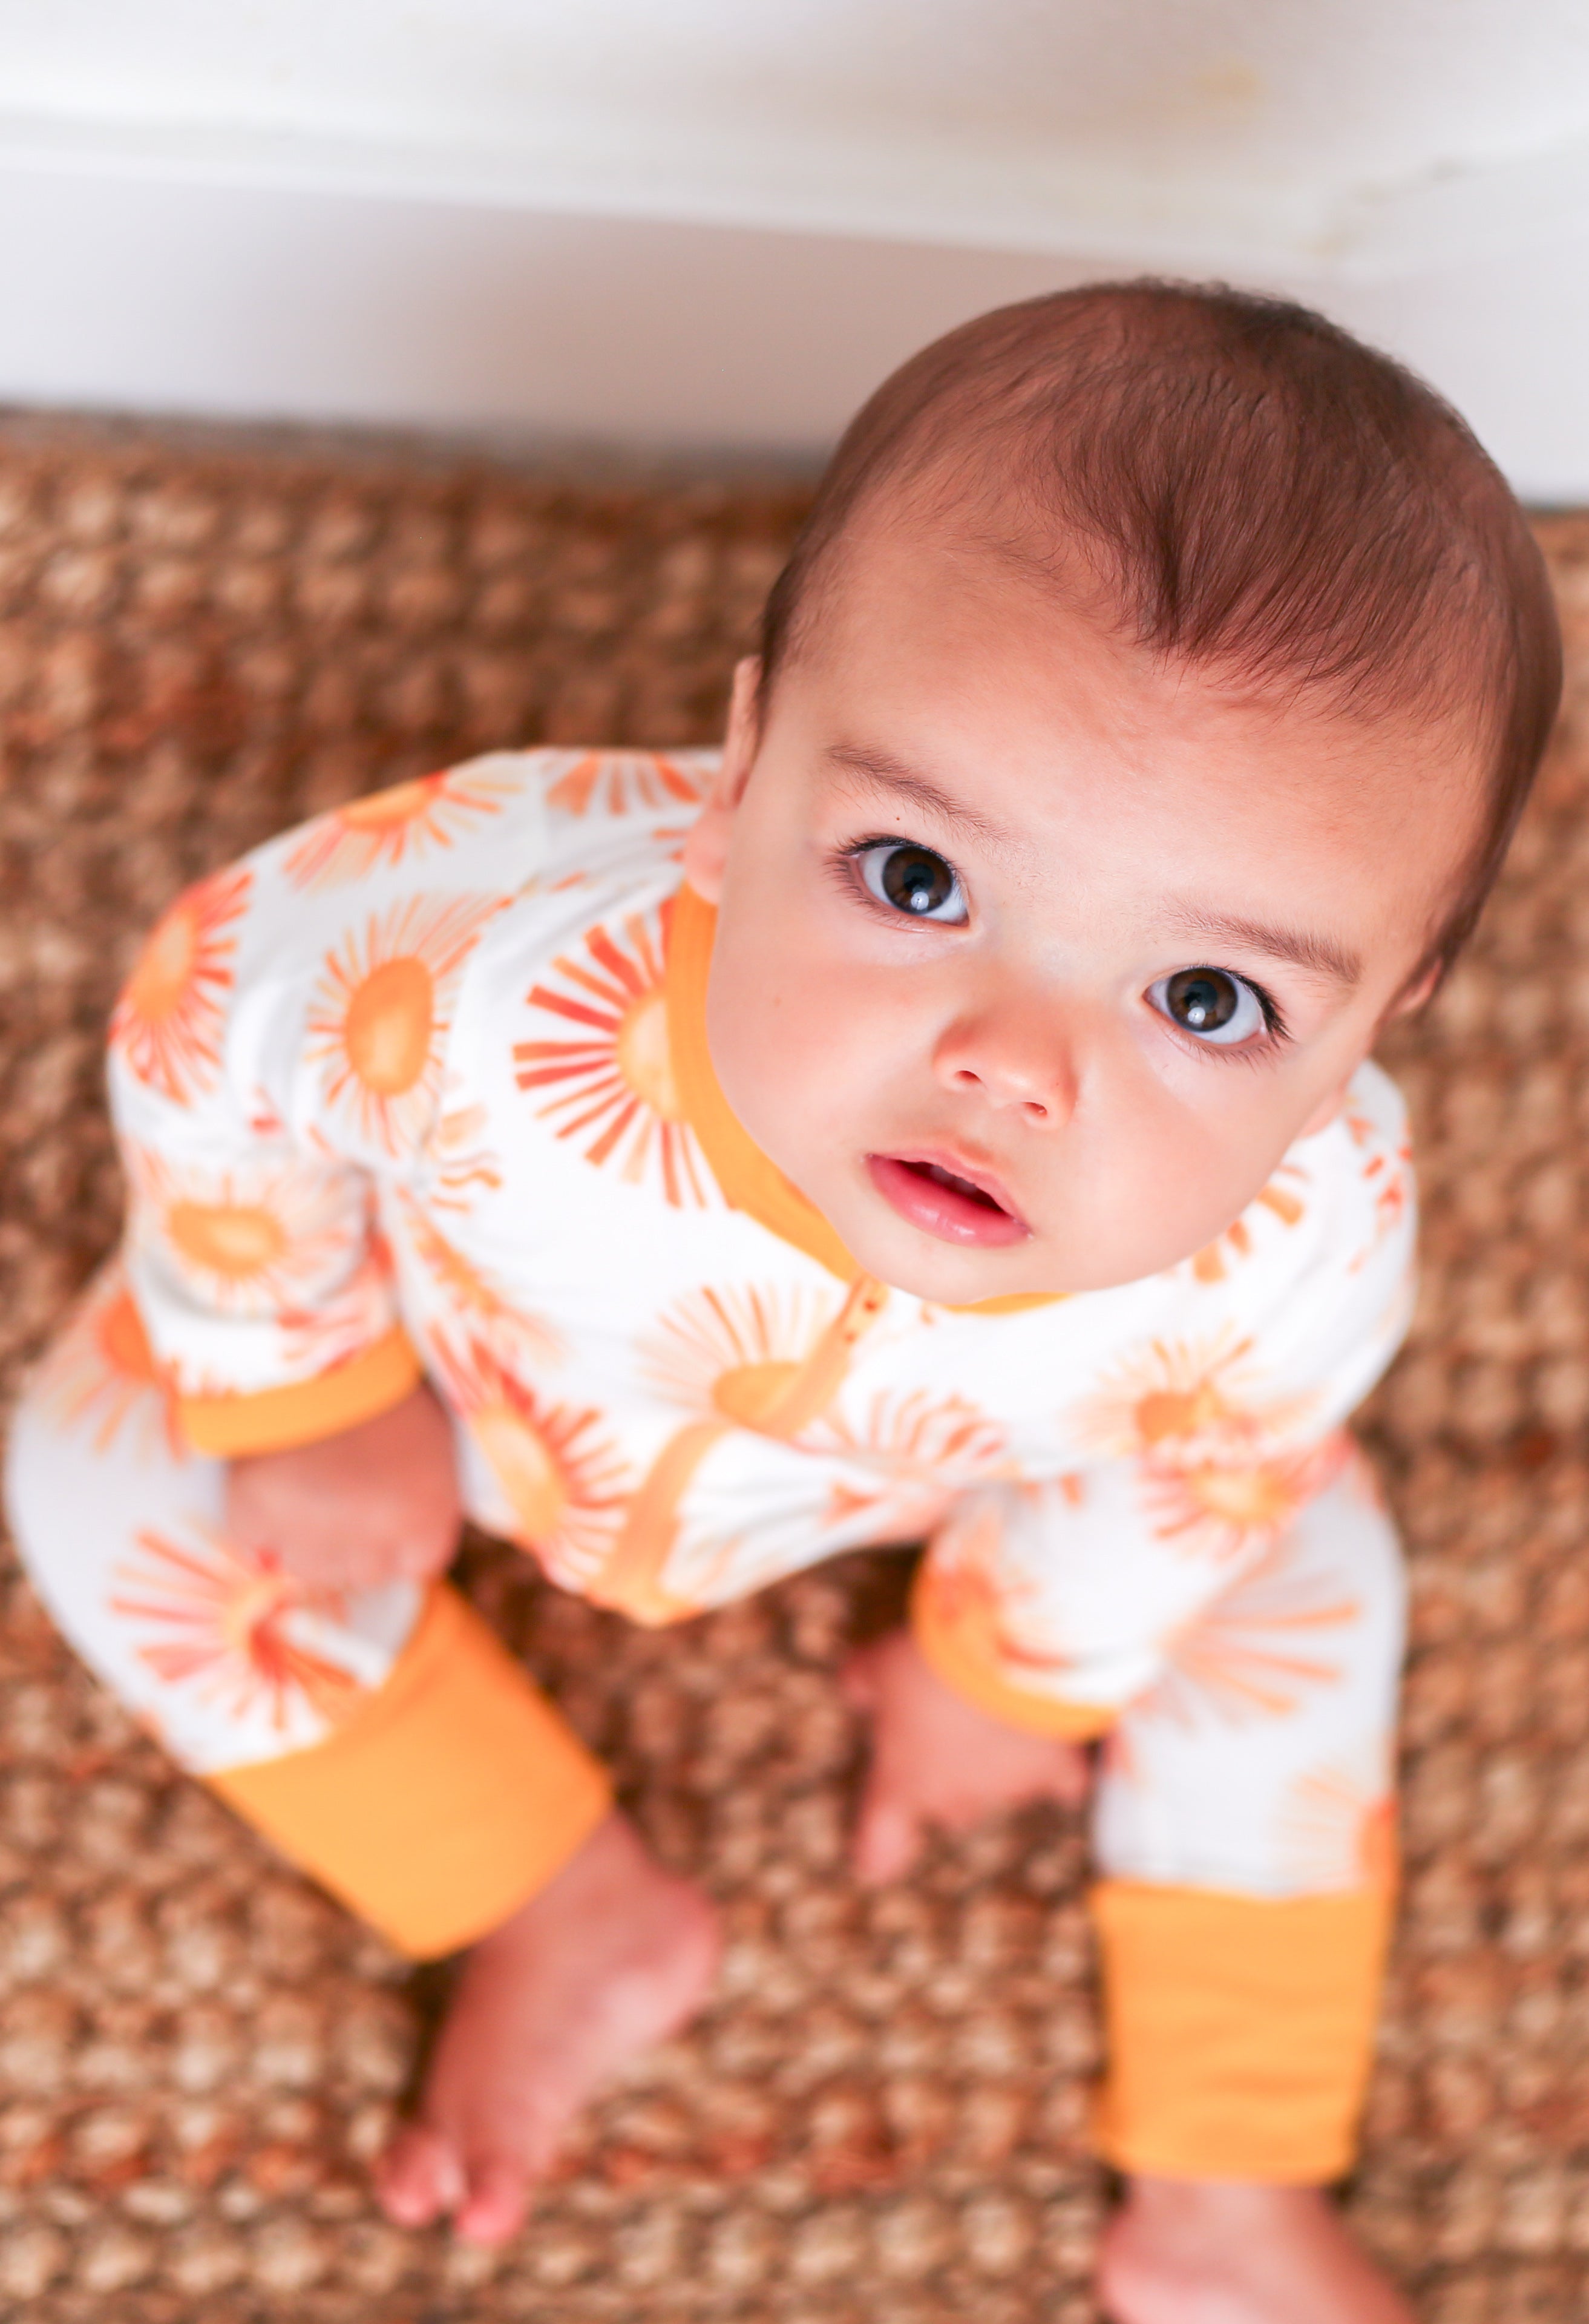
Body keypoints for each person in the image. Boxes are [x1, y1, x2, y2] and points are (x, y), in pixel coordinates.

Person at [5, 282, 1561, 2322]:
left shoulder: (1308, 1230)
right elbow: (213, 1011)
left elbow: (1205, 1465)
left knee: (1306, 1570)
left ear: (1385, 1008)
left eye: (1207, 999)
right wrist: (299, 1383)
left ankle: (1227, 2175)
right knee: (108, 1471)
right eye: (915, 879)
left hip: (962, 1478)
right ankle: (547, 1900)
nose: (1014, 1065)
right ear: (739, 778)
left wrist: (1017, 1675)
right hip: (484, 1367)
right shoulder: (478, 968)